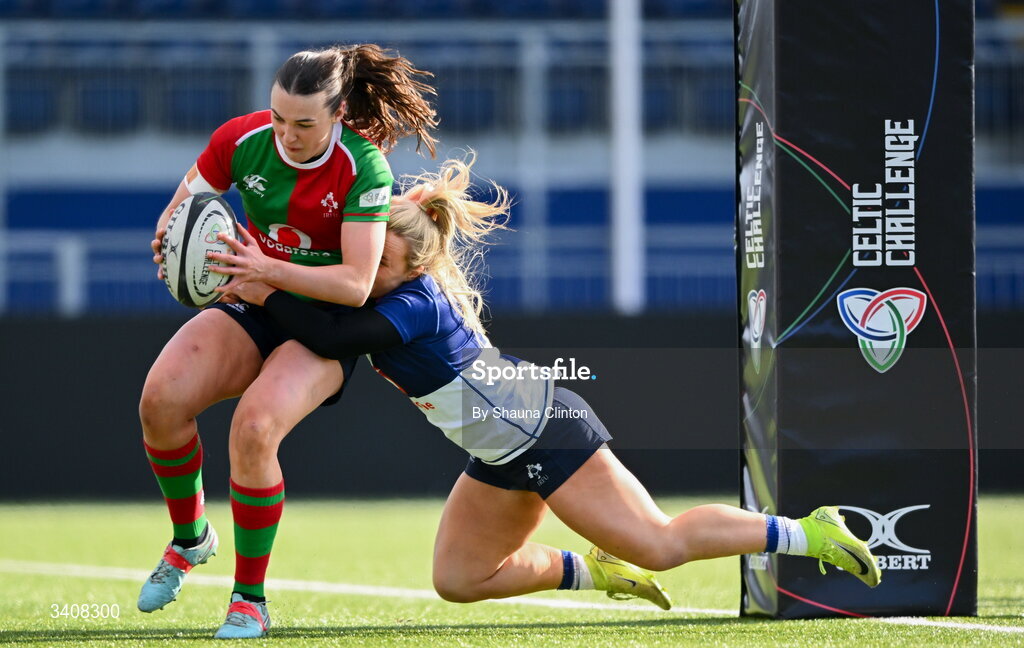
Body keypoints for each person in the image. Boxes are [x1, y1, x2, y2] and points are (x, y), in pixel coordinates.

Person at [208, 156, 882, 635]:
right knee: (459, 579)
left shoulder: (412, 300)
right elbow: (329, 304)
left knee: (661, 543)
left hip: (546, 431)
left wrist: (263, 286)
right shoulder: (389, 279)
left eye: (379, 262)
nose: (364, 271)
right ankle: (592, 574)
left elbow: (336, 331)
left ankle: (806, 531)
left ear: (414, 265)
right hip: (500, 451)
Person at [137, 44, 438, 639]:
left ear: (338, 115)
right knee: (161, 401)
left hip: (322, 326)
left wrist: (265, 273)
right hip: (254, 297)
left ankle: (249, 600)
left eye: (304, 124)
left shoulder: (364, 168)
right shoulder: (240, 140)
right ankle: (191, 538)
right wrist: (176, 247)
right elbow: (179, 215)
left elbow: (355, 285)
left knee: (254, 429)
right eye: (278, 118)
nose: (288, 134)